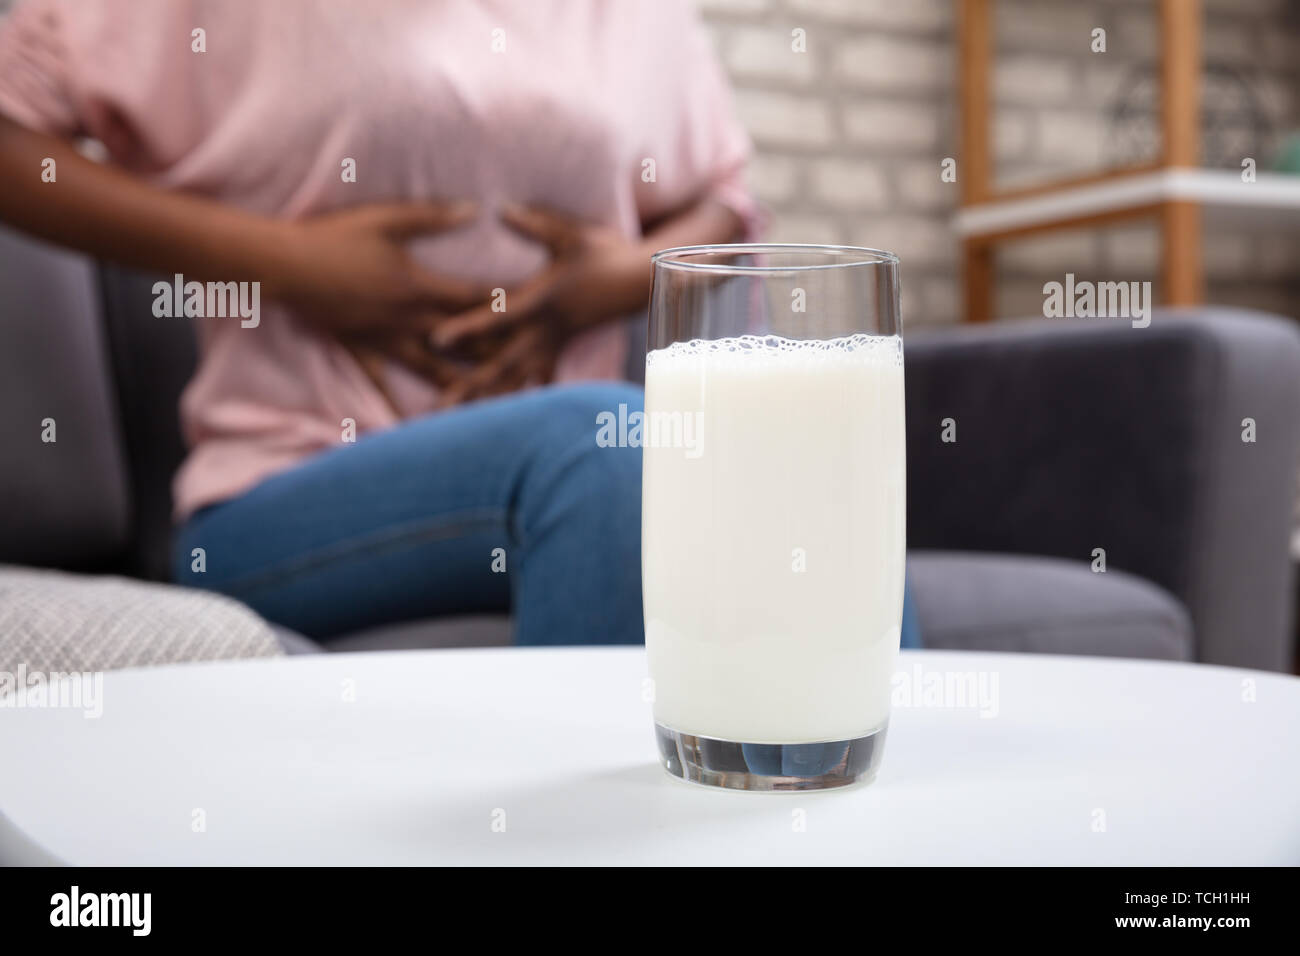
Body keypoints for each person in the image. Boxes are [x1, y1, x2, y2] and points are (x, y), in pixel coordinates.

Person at [0, 0, 920, 649]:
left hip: (605, 462)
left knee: (814, 480)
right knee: (604, 450)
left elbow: (722, 195)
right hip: (291, 479)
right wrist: (286, 264)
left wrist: (612, 279)